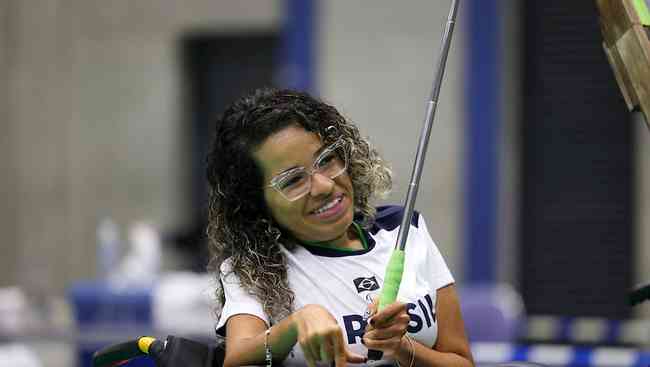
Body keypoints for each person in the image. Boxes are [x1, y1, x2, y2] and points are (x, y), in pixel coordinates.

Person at [206, 88, 473, 367]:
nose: (324, 186)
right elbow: (236, 361)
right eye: (292, 181)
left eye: (326, 160)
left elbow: (462, 362)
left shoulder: (405, 229)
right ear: (256, 204)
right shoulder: (254, 268)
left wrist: (402, 348)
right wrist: (295, 325)